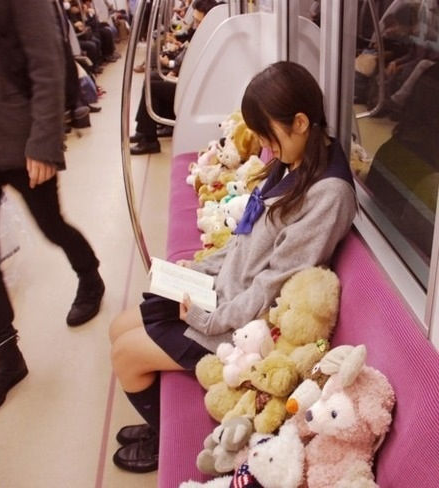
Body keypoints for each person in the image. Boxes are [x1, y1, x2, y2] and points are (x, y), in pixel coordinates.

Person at [109, 61, 357, 472]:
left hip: (245, 328)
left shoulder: (328, 194)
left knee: (126, 355)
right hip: (223, 295)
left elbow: (272, 286)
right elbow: (246, 241)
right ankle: (160, 427)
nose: (263, 144)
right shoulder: (296, 160)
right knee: (120, 327)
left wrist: (207, 319)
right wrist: (196, 270)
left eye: (267, 135)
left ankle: (162, 439)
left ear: (299, 122)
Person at [0, 0, 105, 418]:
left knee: (51, 225)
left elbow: (46, 60)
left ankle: (90, 276)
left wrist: (44, 141)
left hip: (18, 135)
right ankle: (5, 357)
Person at [129, 0, 219, 155]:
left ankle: (149, 140)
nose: (195, 26)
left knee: (152, 85)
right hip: (190, 82)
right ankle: (143, 131)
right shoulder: (205, 34)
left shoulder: (210, 39)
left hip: (195, 90)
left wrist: (175, 69)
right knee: (153, 78)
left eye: (199, 22)